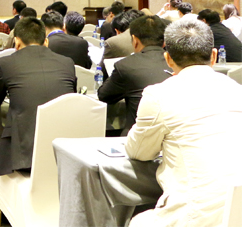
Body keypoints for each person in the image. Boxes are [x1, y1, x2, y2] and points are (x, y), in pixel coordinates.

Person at [125, 19, 242, 227]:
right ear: (214, 56)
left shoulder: (158, 95)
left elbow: (139, 151)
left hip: (195, 216)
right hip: (237, 213)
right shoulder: (237, 90)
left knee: (136, 221)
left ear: (168, 58)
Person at [0, 17, 76, 176]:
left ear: (17, 42)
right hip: (64, 154)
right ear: (46, 42)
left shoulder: (6, 63)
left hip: (23, 156)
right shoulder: (67, 62)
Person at [98, 15, 171, 134]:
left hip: (139, 135)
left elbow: (103, 95)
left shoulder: (125, 65)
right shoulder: (178, 63)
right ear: (164, 42)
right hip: (176, 133)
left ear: (135, 40)